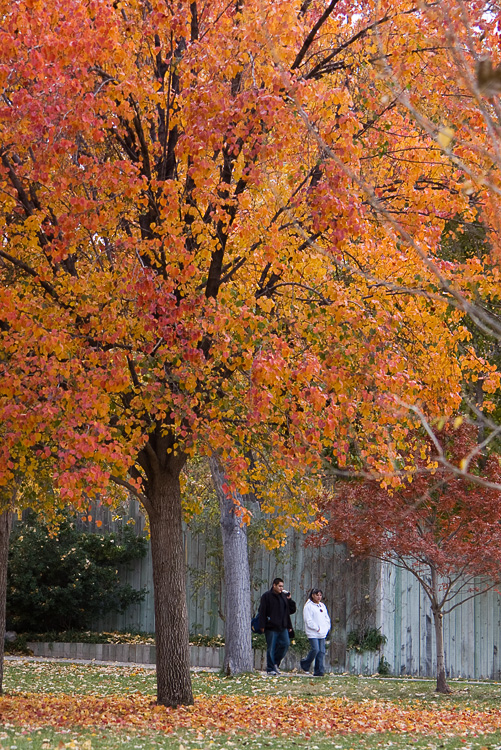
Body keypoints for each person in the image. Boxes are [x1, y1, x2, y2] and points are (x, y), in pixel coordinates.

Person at [258, 577, 296, 676]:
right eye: (279, 586)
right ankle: (270, 668)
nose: (281, 588)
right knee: (271, 647)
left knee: (285, 644)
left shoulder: (283, 596)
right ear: (274, 585)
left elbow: (290, 610)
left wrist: (290, 600)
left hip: (283, 626)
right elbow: (262, 611)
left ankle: (275, 662)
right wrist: (262, 625)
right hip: (271, 627)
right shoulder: (266, 596)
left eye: (282, 586)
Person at [300, 588, 331, 677]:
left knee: (321, 651)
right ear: (312, 595)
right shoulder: (308, 606)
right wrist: (316, 628)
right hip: (313, 632)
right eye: (317, 595)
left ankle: (319, 671)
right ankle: (305, 663)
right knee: (315, 649)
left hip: (322, 633)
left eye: (320, 595)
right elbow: (308, 620)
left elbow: (326, 618)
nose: (318, 597)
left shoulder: (322, 606)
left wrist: (326, 628)